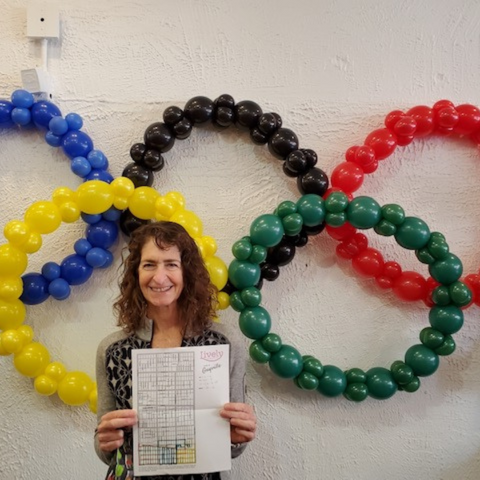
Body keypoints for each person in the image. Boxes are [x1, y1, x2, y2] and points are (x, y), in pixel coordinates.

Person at [94, 221, 256, 480]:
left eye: (171, 264)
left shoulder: (223, 341)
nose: (159, 277)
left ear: (187, 272)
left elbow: (234, 446)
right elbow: (105, 448)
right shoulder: (112, 349)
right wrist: (105, 441)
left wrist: (237, 437)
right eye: (149, 264)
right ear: (136, 273)